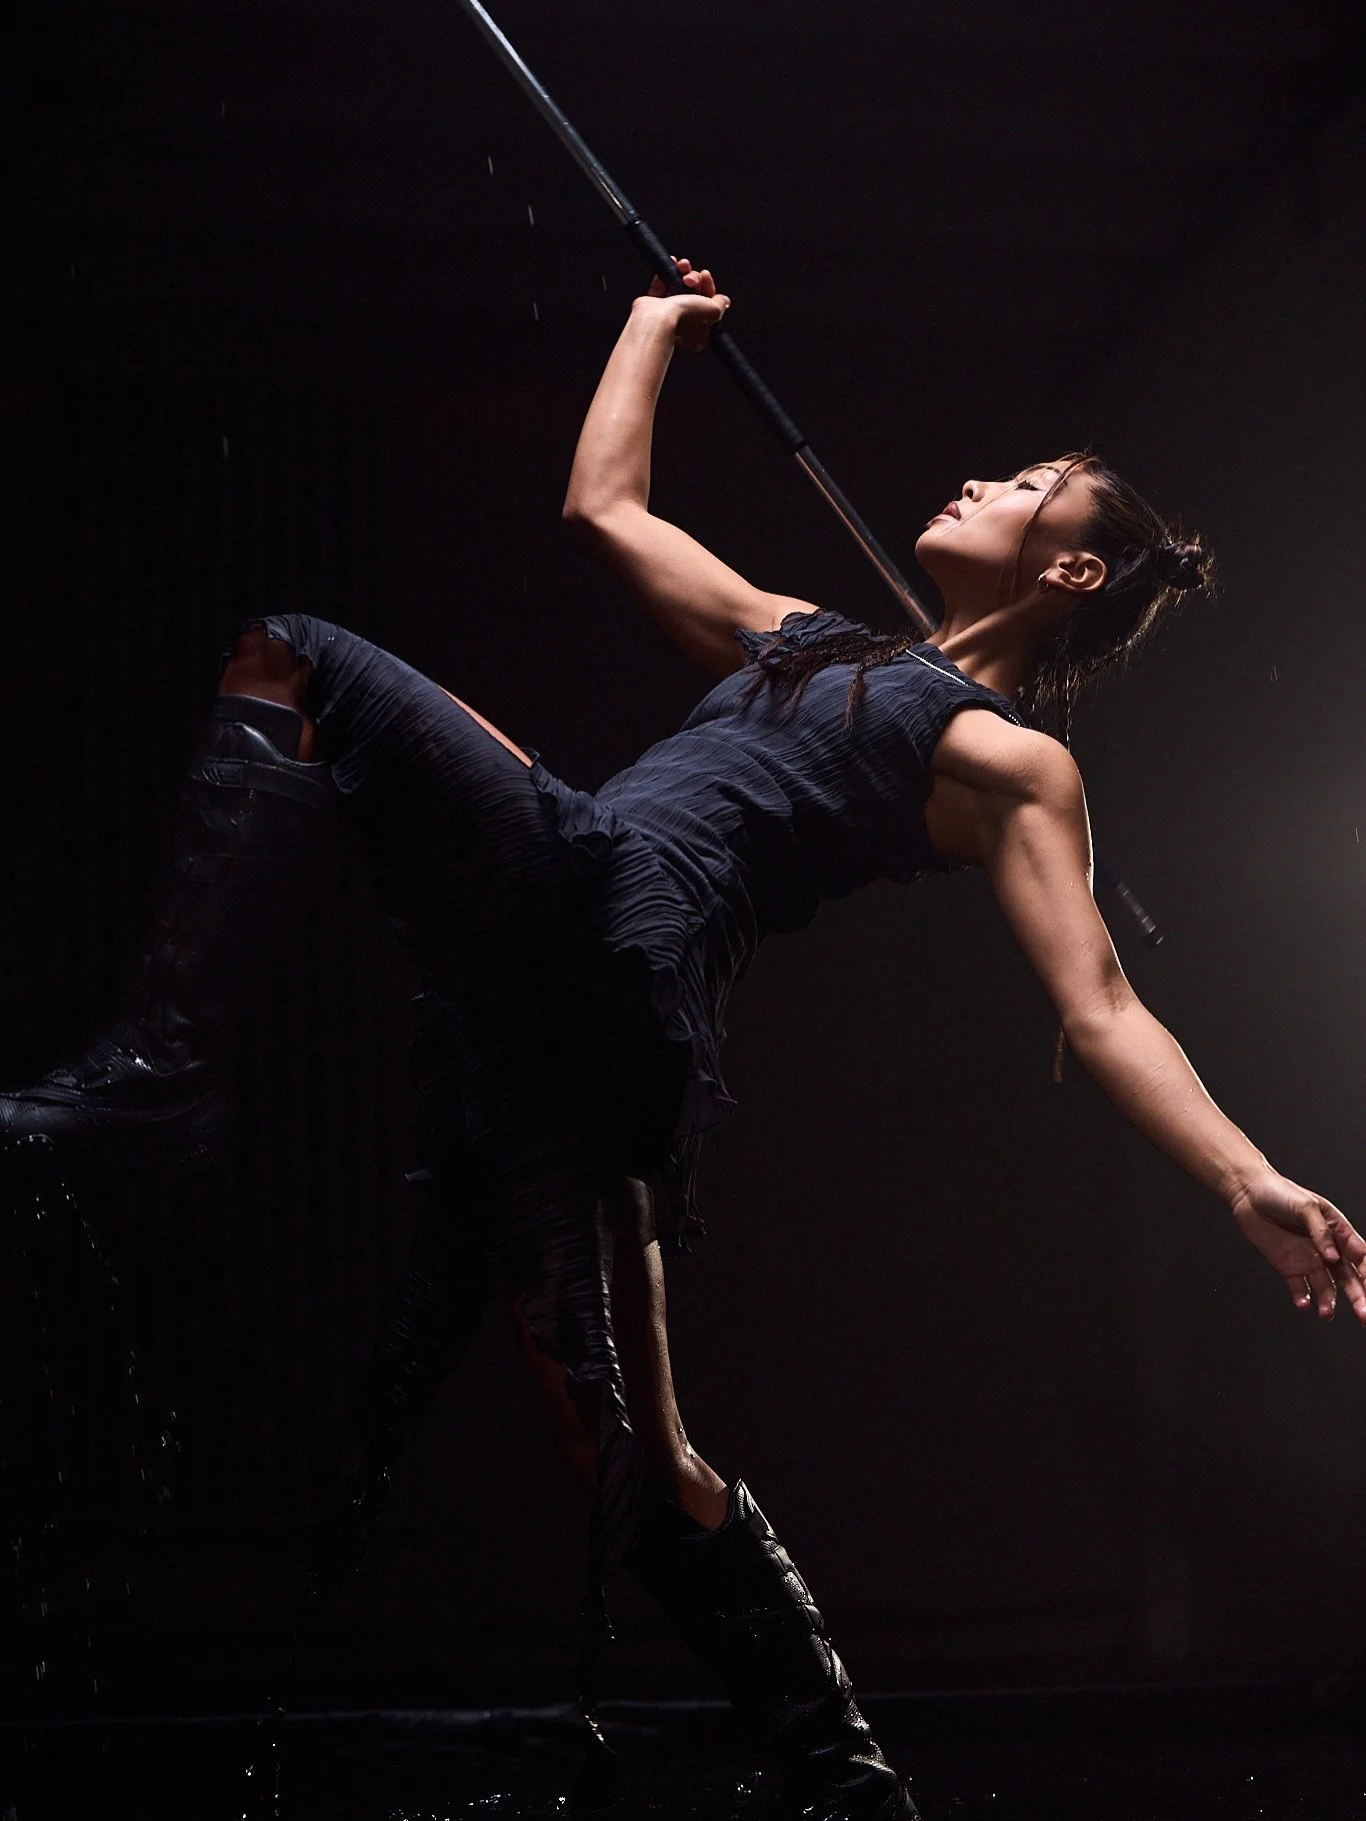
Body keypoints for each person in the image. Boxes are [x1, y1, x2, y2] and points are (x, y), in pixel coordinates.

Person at [4, 261, 1363, 1821]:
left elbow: (1099, 1008)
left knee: (294, 645)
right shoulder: (809, 639)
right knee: (630, 1456)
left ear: (1068, 573)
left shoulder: (1004, 761)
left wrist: (1244, 1181)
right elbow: (606, 515)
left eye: (1032, 485)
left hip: (615, 936)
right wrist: (652, 330)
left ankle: (162, 1080)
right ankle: (850, 1784)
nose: (986, 477)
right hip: (573, 997)